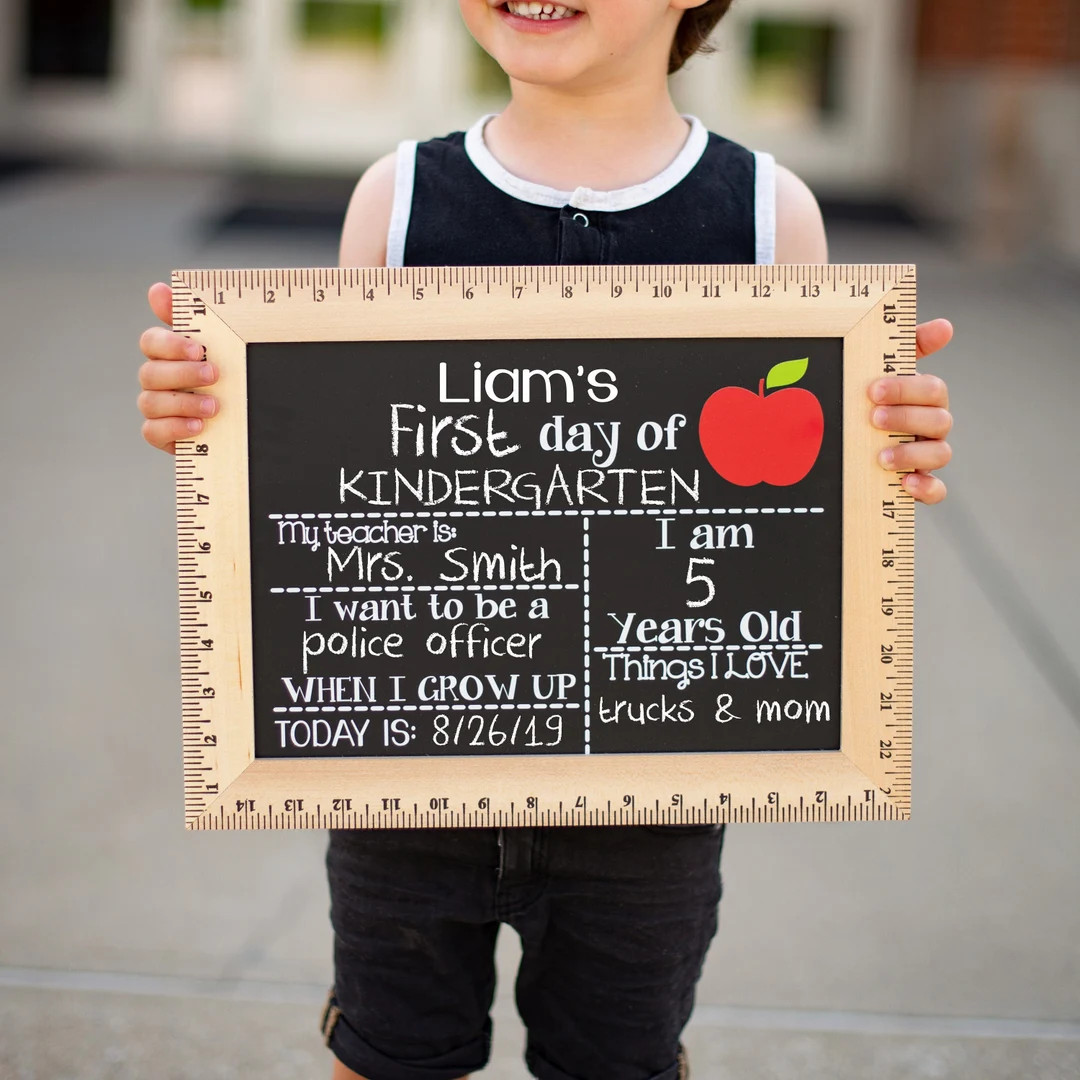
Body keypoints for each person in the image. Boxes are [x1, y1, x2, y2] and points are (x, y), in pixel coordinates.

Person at [136, 3, 955, 1078]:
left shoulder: (768, 217)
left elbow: (806, 501)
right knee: (390, 1052)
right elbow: (325, 451)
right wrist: (208, 412)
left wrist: (891, 441)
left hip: (653, 797)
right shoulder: (397, 203)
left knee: (619, 1057)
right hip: (409, 777)